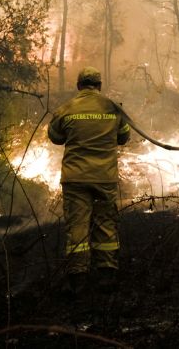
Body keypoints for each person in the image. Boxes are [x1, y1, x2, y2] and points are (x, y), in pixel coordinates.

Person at [48, 67, 131, 296]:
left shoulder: (67, 109)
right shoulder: (112, 108)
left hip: (75, 178)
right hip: (104, 177)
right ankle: (106, 274)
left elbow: (55, 137)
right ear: (99, 85)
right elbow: (124, 137)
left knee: (77, 226)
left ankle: (78, 278)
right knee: (105, 222)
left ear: (79, 85)